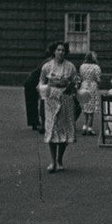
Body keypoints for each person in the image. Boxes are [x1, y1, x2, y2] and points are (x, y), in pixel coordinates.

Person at [38, 41, 78, 172]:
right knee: (51, 128)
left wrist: (72, 89)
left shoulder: (70, 67)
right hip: (51, 99)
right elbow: (41, 81)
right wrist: (44, 89)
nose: (61, 52)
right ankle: (52, 161)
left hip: (66, 99)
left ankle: (60, 159)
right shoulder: (47, 66)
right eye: (58, 50)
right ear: (54, 51)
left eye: (63, 50)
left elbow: (76, 81)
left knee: (63, 130)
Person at [23, 48, 50, 132]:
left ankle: (35, 123)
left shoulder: (47, 61)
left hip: (31, 81)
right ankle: (36, 124)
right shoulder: (48, 62)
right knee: (33, 103)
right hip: (33, 83)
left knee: (32, 103)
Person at [78, 51, 101, 135]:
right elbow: (98, 79)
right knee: (91, 110)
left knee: (85, 109)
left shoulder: (82, 66)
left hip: (84, 86)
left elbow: (81, 77)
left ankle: (84, 127)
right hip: (92, 86)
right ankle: (90, 128)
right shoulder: (96, 67)